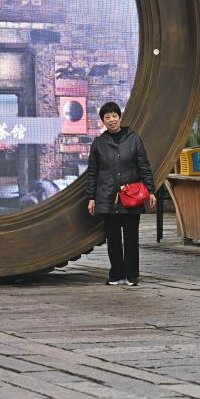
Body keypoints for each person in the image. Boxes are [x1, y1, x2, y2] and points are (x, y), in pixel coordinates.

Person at [83, 101, 156, 286]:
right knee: (113, 238)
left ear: (120, 117)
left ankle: (131, 275)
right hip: (107, 197)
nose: (111, 120)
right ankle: (116, 274)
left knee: (131, 238)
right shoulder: (99, 143)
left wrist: (151, 190)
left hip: (131, 196)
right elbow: (92, 172)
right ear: (103, 121)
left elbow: (144, 166)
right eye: (107, 117)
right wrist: (91, 198)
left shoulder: (134, 139)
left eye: (114, 116)